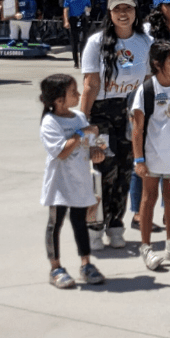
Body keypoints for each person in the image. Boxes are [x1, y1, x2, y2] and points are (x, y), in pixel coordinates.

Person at [80, 0, 152, 250]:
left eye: (128, 8)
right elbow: (89, 86)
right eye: (117, 9)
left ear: (135, 12)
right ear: (109, 13)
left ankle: (115, 225)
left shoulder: (144, 42)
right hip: (100, 114)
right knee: (102, 171)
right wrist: (83, 125)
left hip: (129, 112)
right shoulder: (96, 43)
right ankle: (95, 226)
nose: (123, 13)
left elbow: (146, 83)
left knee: (125, 170)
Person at [39, 74, 106, 288]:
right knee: (55, 223)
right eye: (73, 92)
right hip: (59, 183)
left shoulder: (79, 117)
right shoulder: (50, 122)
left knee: (80, 223)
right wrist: (81, 133)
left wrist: (96, 151)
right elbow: (62, 152)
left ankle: (86, 263)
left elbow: (90, 146)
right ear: (59, 100)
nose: (78, 95)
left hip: (79, 181)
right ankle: (55, 267)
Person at [130, 41, 170, 271]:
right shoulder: (147, 90)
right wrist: (139, 160)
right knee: (148, 199)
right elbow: (137, 129)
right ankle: (145, 246)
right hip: (152, 156)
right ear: (157, 64)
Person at [63, 0, 92, 68]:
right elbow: (66, 9)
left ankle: (83, 60)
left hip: (83, 18)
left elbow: (89, 6)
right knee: (74, 41)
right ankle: (76, 62)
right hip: (73, 18)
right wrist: (66, 21)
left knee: (83, 40)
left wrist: (88, 10)